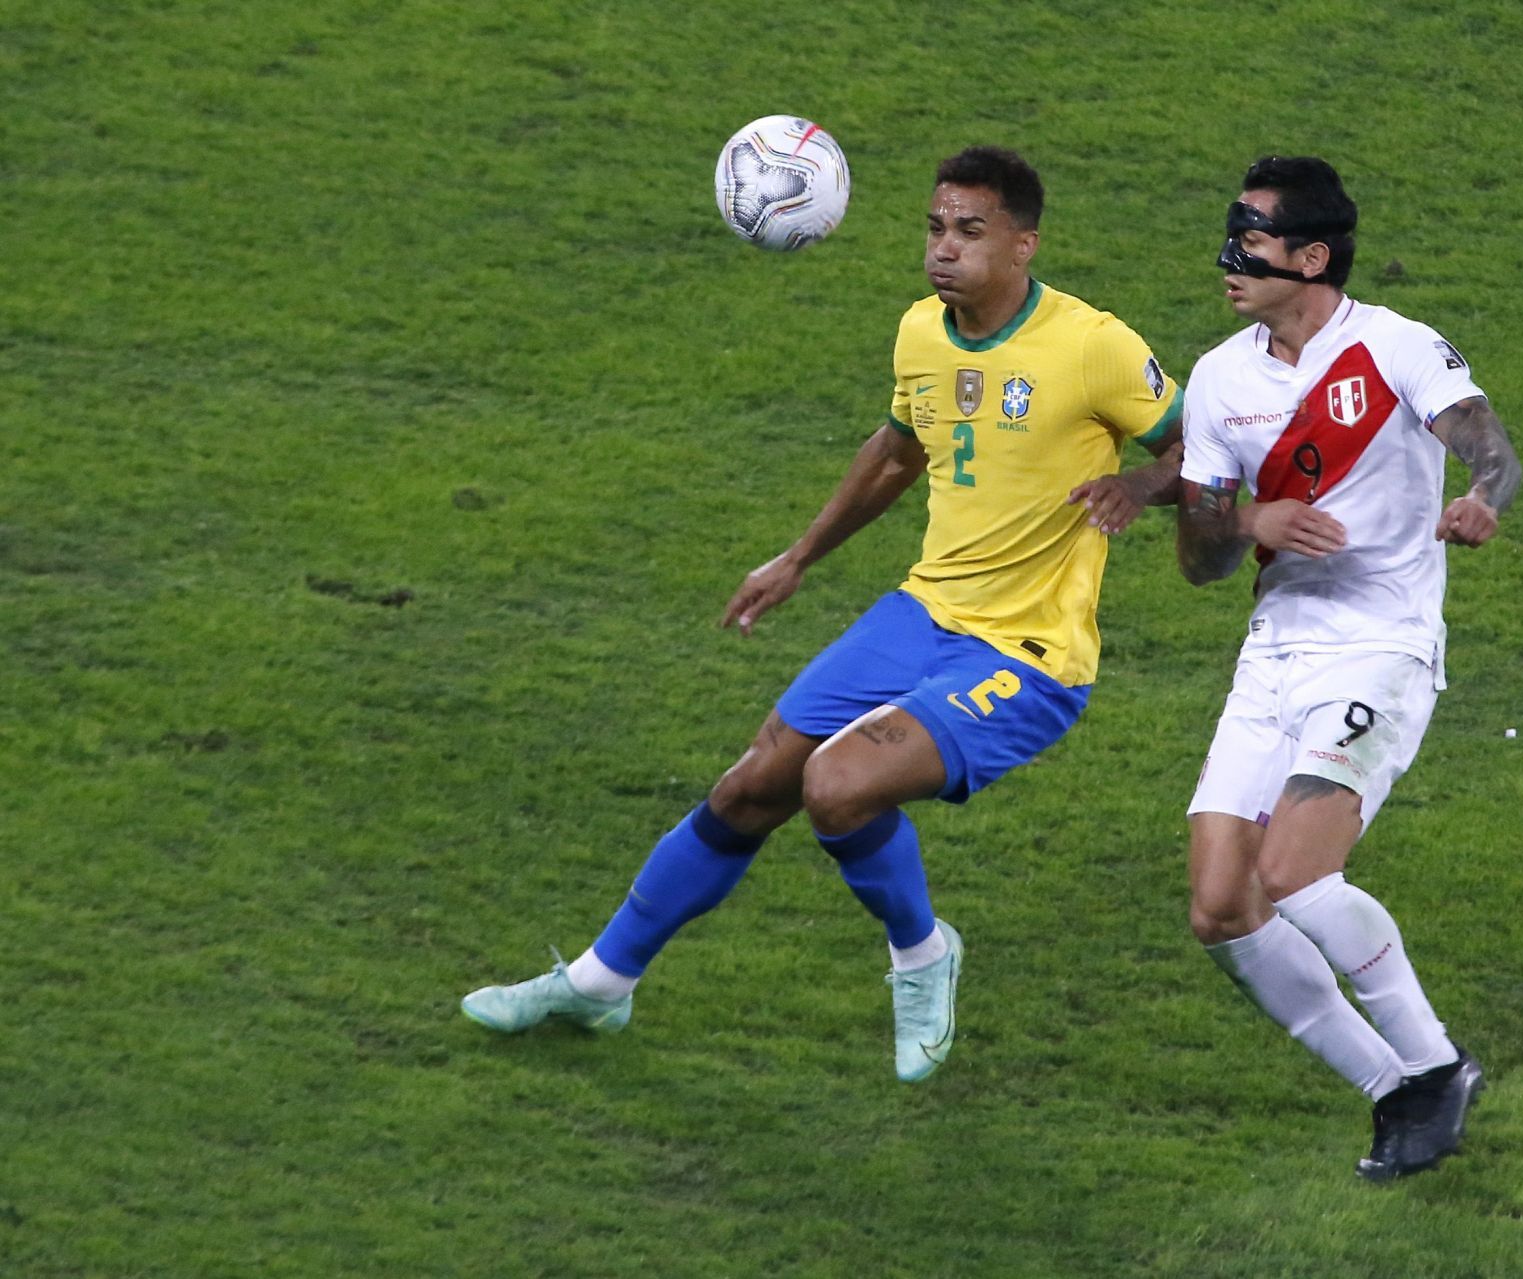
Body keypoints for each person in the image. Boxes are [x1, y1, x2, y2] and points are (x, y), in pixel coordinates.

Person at [463, 146, 1184, 1084]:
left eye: (970, 231)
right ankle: (602, 980)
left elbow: (1202, 448)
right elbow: (895, 454)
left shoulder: (1093, 345)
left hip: (1030, 649)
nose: (944, 248)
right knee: (751, 785)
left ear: (1023, 245)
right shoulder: (923, 333)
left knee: (838, 787)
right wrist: (797, 558)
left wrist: (1142, 480)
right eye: (935, 226)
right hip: (924, 612)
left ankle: (924, 955)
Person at [1174, 156, 1522, 1180]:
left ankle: (1434, 1061)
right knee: (1221, 906)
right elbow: (1199, 560)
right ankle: (1396, 1091)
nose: (1229, 258)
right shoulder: (1219, 379)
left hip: (1381, 646)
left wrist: (1482, 500)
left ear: (1312, 257)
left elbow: (1492, 449)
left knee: (1295, 870)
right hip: (1272, 655)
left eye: (1252, 239)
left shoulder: (1395, 347)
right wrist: (1250, 518)